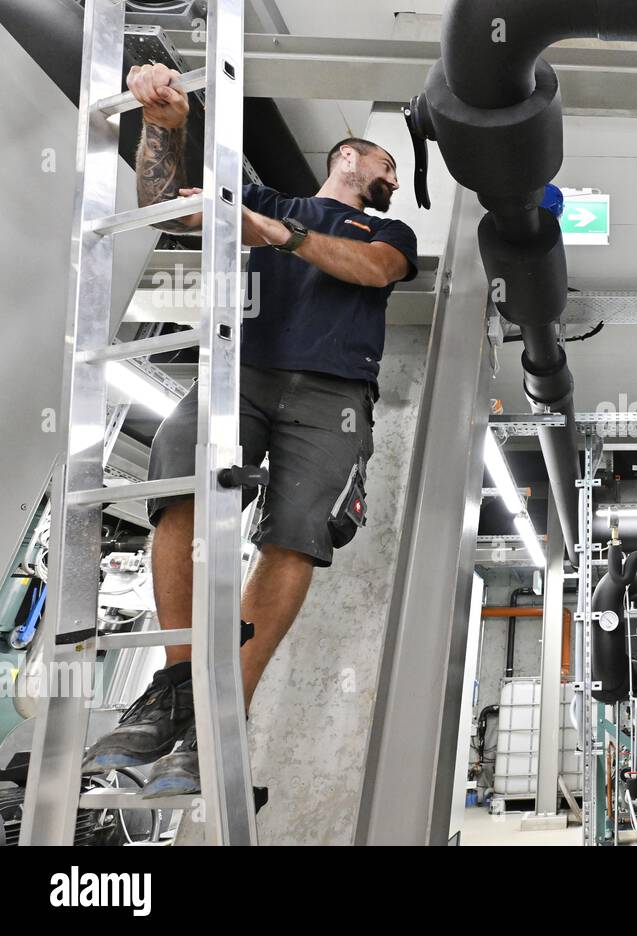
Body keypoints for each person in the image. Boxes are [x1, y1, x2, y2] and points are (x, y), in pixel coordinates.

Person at [81, 64, 419, 798]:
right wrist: (165, 128)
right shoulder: (263, 199)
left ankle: (216, 723)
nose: (392, 177)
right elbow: (170, 212)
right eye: (387, 164)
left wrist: (281, 236)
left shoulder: (387, 229)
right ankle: (175, 685)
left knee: (298, 531)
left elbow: (372, 269)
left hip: (334, 393)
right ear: (351, 159)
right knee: (180, 477)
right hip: (245, 372)